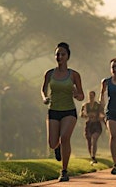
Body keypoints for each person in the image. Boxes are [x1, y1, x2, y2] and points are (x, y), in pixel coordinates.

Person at [41, 42, 84, 182]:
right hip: (53, 110)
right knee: (52, 143)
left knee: (65, 137)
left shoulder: (74, 75)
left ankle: (64, 171)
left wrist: (77, 94)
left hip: (69, 111)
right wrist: (45, 98)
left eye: (62, 54)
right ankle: (57, 147)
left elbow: (81, 96)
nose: (59, 56)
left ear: (68, 57)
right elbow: (43, 89)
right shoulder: (49, 73)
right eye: (57, 54)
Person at [80, 90, 104, 165]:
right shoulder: (85, 105)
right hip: (88, 125)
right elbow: (81, 115)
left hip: (96, 124)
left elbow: (102, 114)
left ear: (94, 96)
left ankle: (93, 156)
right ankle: (91, 156)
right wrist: (87, 115)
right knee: (89, 141)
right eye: (89, 96)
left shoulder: (98, 105)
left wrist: (99, 116)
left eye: (92, 96)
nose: (91, 97)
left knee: (94, 139)